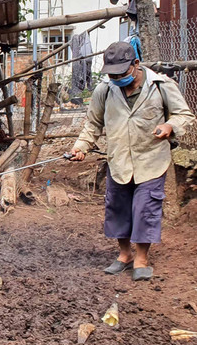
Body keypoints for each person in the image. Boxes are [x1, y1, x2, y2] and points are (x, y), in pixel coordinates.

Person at [69, 41, 194, 281]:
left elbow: (184, 115)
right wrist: (81, 147)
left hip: (151, 160)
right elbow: (93, 124)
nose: (117, 78)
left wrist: (170, 125)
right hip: (119, 160)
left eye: (121, 73)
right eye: (112, 74)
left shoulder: (161, 85)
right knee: (118, 209)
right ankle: (124, 255)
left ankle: (141, 258)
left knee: (145, 209)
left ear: (136, 64)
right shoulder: (105, 90)